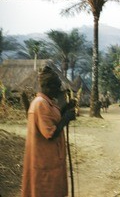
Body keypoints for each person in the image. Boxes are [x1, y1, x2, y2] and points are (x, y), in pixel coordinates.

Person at [21, 65, 76, 197]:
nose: (59, 89)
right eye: (57, 86)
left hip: (51, 159)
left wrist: (66, 109)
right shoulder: (40, 104)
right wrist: (66, 119)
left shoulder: (47, 103)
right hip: (44, 161)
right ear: (47, 86)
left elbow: (53, 120)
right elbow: (50, 134)